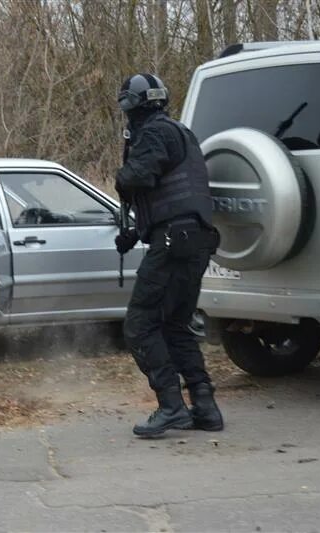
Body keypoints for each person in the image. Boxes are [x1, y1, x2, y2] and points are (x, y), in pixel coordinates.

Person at [114, 73, 223, 437]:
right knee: (175, 324)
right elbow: (171, 192)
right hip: (194, 239)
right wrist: (136, 232)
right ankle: (205, 407)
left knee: (140, 324)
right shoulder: (182, 133)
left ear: (132, 104)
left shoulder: (155, 133)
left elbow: (137, 177)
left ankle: (171, 406)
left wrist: (121, 172)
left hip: (176, 241)